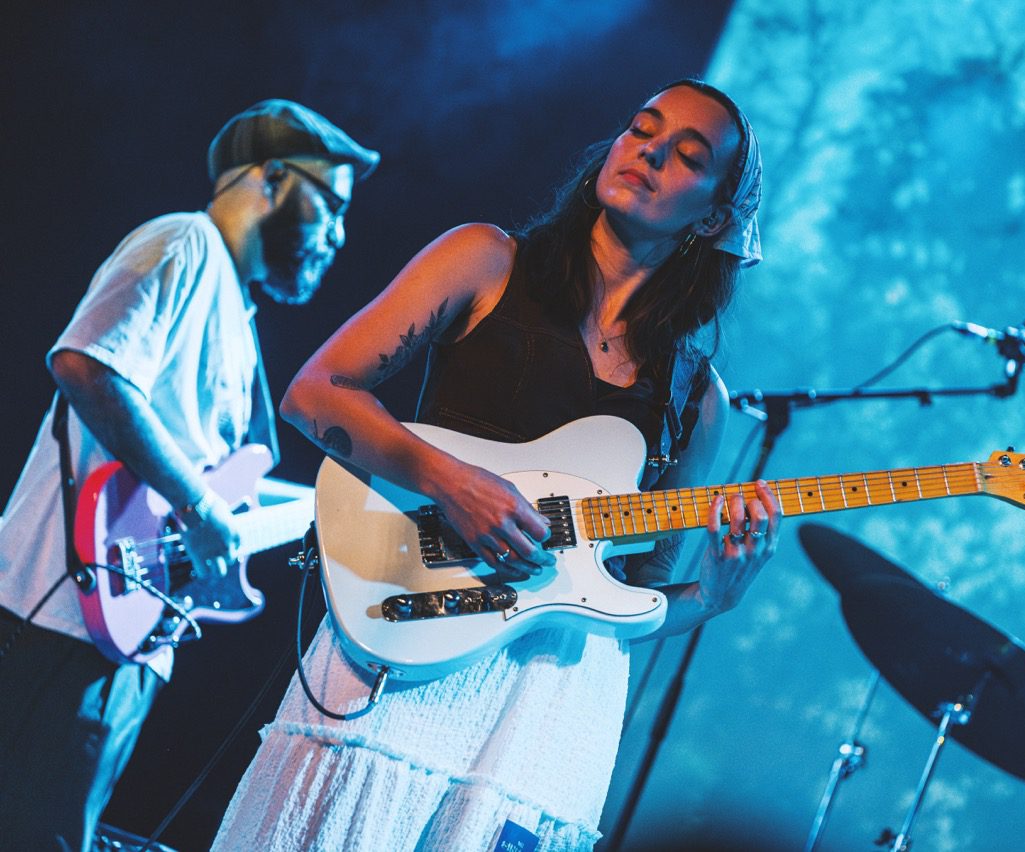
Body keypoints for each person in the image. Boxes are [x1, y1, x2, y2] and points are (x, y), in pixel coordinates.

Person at [213, 78, 778, 852]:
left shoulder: (697, 398)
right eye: (641, 127)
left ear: (714, 216)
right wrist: (448, 481)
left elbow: (632, 604)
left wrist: (711, 596)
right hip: (407, 629)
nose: (648, 150)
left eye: (685, 154)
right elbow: (316, 392)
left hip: (547, 701)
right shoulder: (485, 259)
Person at [0, 99, 379, 851]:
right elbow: (86, 363)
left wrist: (340, 510)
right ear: (270, 177)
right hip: (57, 614)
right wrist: (201, 505)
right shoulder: (184, 243)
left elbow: (220, 485)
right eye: (330, 204)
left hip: (124, 636)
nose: (338, 235)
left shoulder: (237, 315)